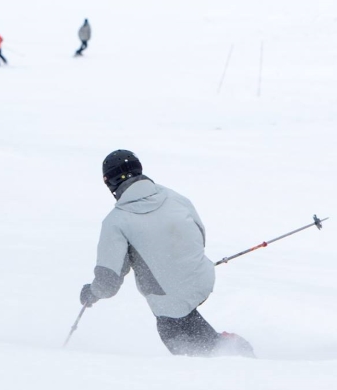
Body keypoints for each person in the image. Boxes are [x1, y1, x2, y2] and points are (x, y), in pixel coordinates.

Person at [79, 150, 253, 358]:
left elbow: (108, 283)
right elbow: (200, 233)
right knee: (185, 315)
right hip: (202, 278)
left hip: (169, 302)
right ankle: (227, 349)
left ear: (109, 183)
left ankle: (232, 352)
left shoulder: (116, 221)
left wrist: (92, 293)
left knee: (182, 340)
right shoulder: (174, 197)